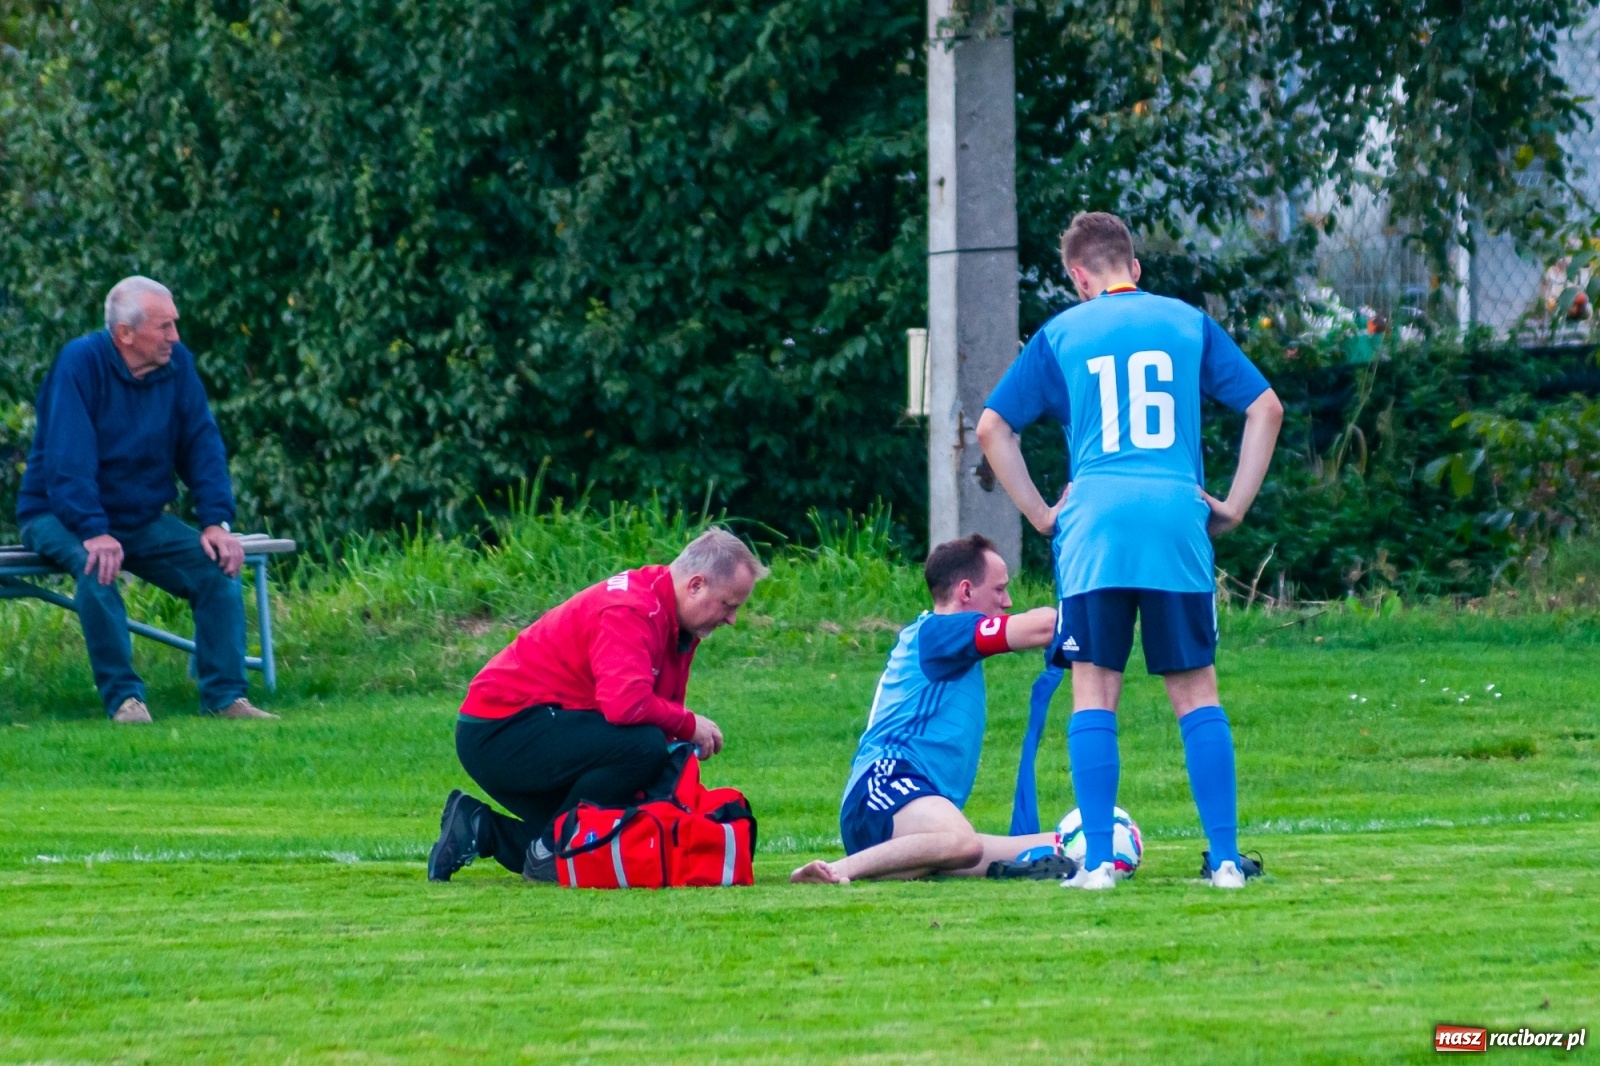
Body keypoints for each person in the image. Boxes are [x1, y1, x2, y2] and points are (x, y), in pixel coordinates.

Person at [976, 212, 1282, 890]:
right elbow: (1267, 408)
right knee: (1196, 691)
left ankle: (1099, 865)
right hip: (1176, 514)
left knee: (1095, 690)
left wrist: (1043, 515)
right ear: (1134, 267)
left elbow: (992, 429)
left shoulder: (1061, 332)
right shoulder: (1185, 322)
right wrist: (1231, 504)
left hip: (1096, 525)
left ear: (1078, 277)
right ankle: (1227, 861)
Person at [428, 527, 767, 883]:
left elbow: (652, 713)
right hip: (499, 729)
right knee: (641, 750)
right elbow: (625, 705)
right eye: (729, 605)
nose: (732, 619)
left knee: (612, 832)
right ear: (696, 585)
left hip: (524, 728)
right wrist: (689, 724)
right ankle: (552, 850)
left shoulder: (672, 618)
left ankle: (479, 827)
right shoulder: (632, 609)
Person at [16, 276, 274, 724]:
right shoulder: (80, 363)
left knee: (217, 568)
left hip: (138, 516)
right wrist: (93, 530)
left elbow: (202, 444)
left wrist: (216, 522)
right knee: (97, 569)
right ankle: (125, 700)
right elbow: (67, 461)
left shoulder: (178, 367)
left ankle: (226, 697)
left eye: (174, 325)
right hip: (58, 513)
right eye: (165, 327)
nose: (176, 336)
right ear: (125, 334)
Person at [791, 534, 1064, 885]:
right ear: (966, 592)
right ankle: (838, 870)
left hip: (906, 805)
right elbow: (1043, 626)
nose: (1008, 601)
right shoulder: (939, 633)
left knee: (1059, 845)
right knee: (964, 843)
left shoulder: (943, 639)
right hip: (883, 785)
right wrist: (1090, 599)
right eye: (1000, 589)